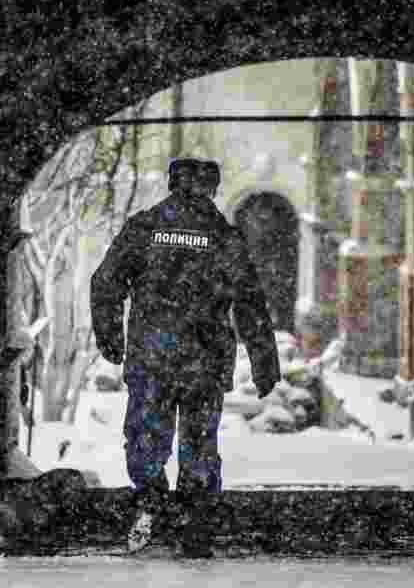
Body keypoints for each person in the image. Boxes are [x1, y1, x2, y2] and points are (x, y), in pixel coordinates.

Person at [90, 157, 281, 558]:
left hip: (152, 359)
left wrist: (110, 337)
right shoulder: (224, 236)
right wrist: (265, 363)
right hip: (205, 363)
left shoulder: (144, 228)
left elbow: (105, 281)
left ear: (173, 183)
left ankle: (150, 502)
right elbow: (250, 301)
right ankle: (196, 523)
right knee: (199, 443)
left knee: (146, 436)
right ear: (211, 188)